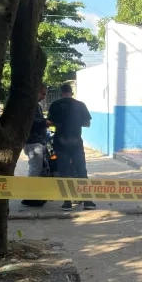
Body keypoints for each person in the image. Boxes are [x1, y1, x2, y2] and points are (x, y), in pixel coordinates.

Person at [47, 82, 95, 211]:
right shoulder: (80, 105)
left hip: (60, 142)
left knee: (63, 172)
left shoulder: (55, 105)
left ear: (61, 93)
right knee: (81, 171)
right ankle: (87, 201)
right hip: (76, 142)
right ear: (71, 92)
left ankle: (67, 203)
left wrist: (59, 123)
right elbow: (87, 123)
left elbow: (49, 122)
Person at [21, 85, 49, 208]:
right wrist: (45, 122)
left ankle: (35, 196)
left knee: (39, 170)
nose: (44, 96)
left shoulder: (35, 105)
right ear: (36, 91)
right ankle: (30, 197)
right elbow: (31, 121)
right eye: (43, 93)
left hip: (37, 141)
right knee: (35, 170)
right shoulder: (30, 105)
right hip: (33, 142)